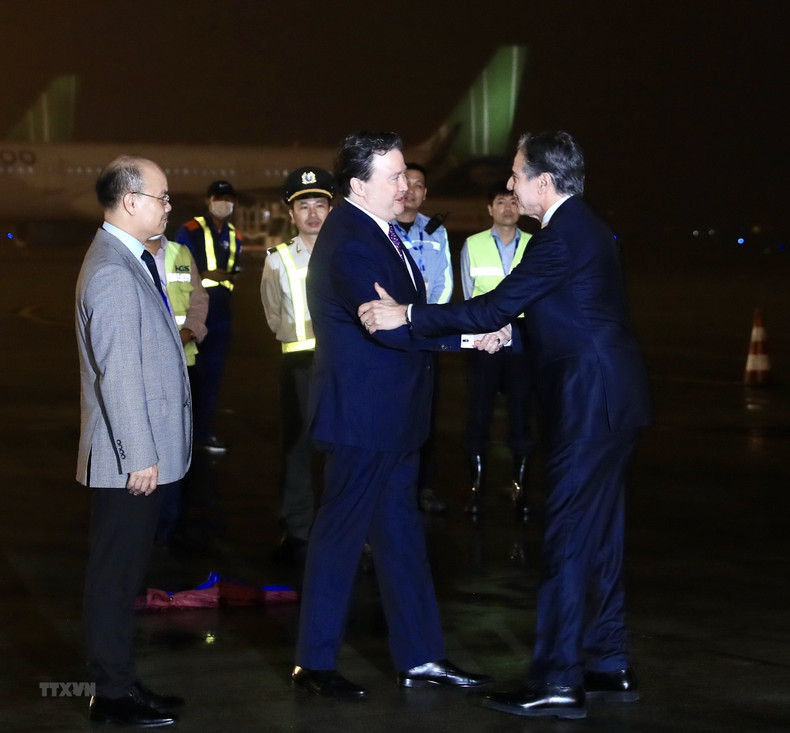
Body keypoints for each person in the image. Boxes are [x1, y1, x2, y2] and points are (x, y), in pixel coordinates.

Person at [358, 131, 652, 719]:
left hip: (588, 403)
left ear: (545, 181)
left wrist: (407, 314)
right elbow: (567, 313)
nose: (510, 186)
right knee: (602, 538)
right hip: (613, 398)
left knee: (569, 540)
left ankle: (558, 681)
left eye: (517, 175)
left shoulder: (560, 236)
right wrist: (511, 334)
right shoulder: (585, 228)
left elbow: (493, 303)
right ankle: (607, 662)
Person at [292, 130, 495, 699]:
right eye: (395, 176)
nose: (406, 184)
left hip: (394, 419)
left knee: (402, 538)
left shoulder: (382, 232)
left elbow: (406, 314)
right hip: (364, 418)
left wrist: (457, 336)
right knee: (338, 537)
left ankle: (422, 656)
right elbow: (388, 324)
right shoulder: (354, 239)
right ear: (358, 184)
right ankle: (315, 663)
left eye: (405, 173)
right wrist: (466, 340)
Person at [76, 155, 192, 727]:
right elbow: (117, 371)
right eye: (162, 197)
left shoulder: (130, 259)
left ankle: (122, 680)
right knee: (114, 577)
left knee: (124, 576)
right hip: (130, 460)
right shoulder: (112, 272)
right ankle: (112, 694)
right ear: (130, 201)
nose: (168, 206)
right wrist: (140, 455)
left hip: (135, 455)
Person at [260, 166, 335, 564]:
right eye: (303, 205)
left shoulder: (347, 254)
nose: (312, 213)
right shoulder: (277, 260)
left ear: (331, 209)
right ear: (291, 214)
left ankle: (344, 527)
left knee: (346, 448)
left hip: (343, 364)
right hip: (300, 365)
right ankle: (297, 528)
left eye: (319, 204)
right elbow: (273, 313)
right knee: (297, 449)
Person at [459, 180, 533, 519]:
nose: (507, 208)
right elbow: (468, 294)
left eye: (512, 201)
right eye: (500, 202)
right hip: (484, 340)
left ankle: (520, 488)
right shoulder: (472, 245)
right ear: (490, 209)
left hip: (522, 340)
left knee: (521, 413)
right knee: (479, 412)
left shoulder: (535, 245)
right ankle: (476, 487)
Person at [392, 162, 452, 513]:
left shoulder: (436, 231)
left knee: (426, 415)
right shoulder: (381, 228)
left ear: (425, 193)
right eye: (406, 182)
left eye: (419, 185)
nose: (412, 189)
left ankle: (423, 487)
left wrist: (428, 321)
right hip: (393, 337)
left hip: (427, 337)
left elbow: (444, 283)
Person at [143, 233, 209, 544]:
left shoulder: (181, 253)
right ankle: (145, 518)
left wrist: (190, 330)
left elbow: (199, 298)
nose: (164, 211)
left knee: (177, 445)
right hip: (145, 365)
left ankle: (168, 523)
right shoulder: (127, 253)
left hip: (183, 362)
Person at [175, 180, 242, 453]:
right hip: (196, 308)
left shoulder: (234, 234)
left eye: (228, 198)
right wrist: (204, 276)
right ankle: (181, 435)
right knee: (188, 376)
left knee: (212, 376)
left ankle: (202, 432)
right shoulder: (189, 230)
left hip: (222, 311)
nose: (223, 203)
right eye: (219, 198)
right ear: (208, 200)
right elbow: (177, 269)